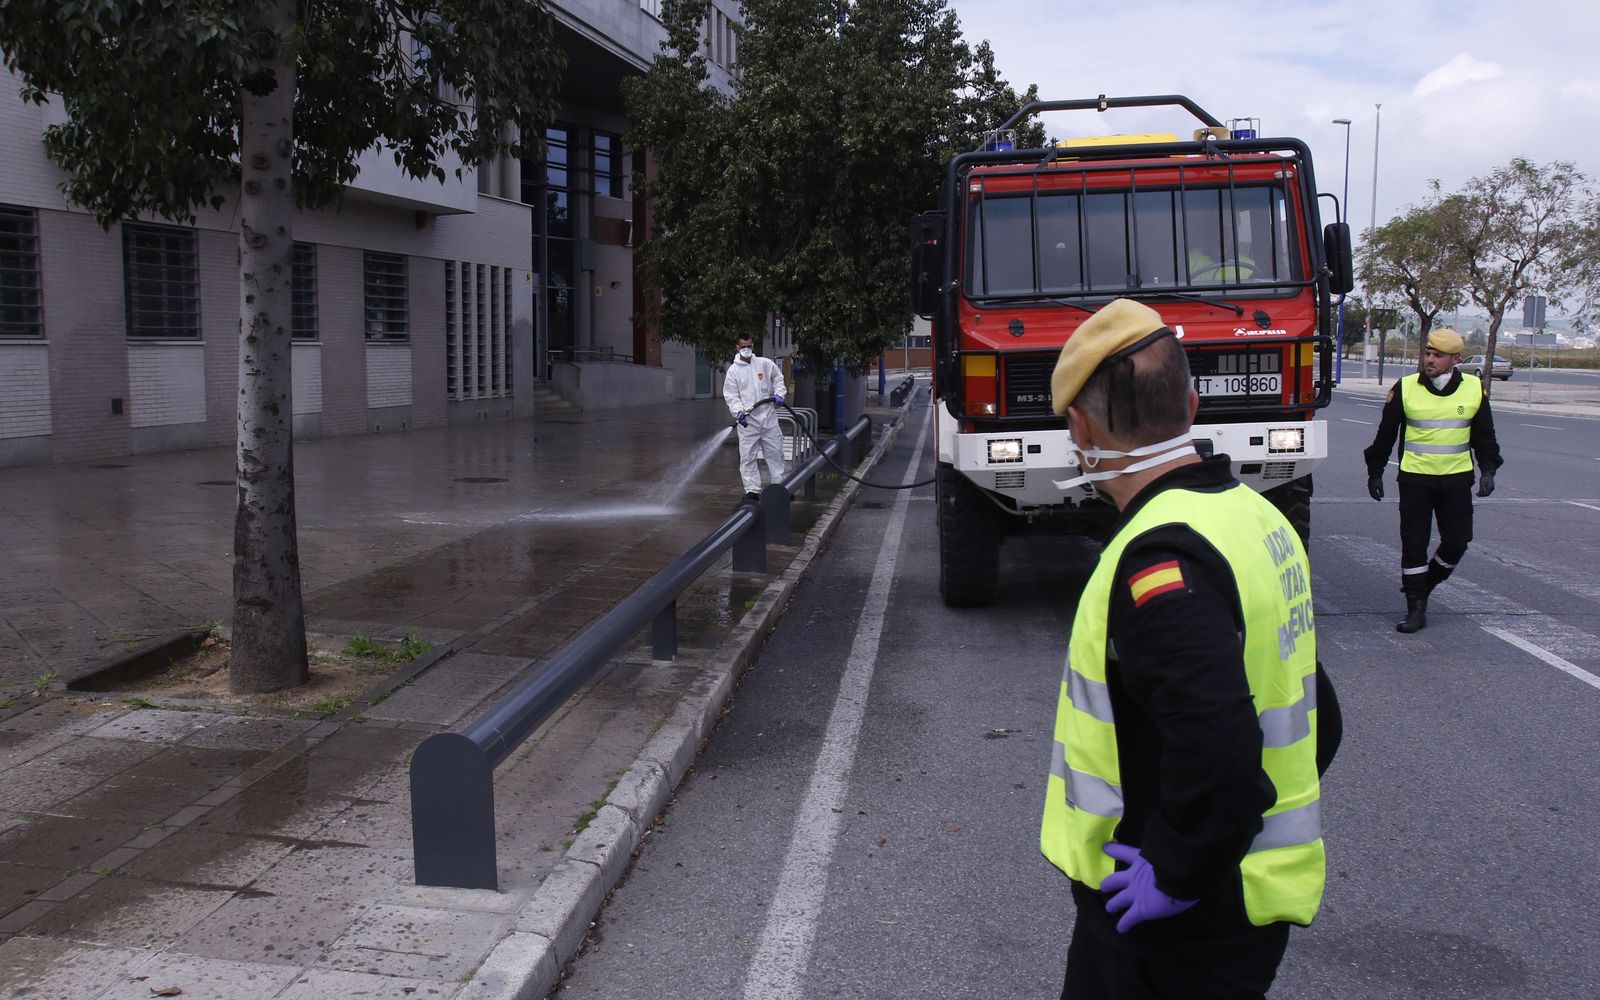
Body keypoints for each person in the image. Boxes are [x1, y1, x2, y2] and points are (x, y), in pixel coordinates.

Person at [1040, 298, 1339, 999]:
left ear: (1079, 427)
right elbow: (1316, 711)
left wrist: (1177, 869)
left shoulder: (1158, 560)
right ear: (1192, 403)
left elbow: (1222, 746)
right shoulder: (1253, 516)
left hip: (1173, 930)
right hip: (1237, 905)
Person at [1362, 327, 1503, 633]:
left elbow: (1484, 437)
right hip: (1416, 480)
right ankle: (1415, 607)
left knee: (1457, 541)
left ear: (1456, 359)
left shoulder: (1474, 389)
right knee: (1414, 543)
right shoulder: (1406, 388)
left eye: (1438, 355)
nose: (1429, 359)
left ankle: (1424, 585)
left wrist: (1488, 469)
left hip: (1456, 480)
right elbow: (1385, 436)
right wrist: (1375, 472)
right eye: (1427, 353)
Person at [723, 333, 788, 501]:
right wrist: (738, 411)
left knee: (775, 452)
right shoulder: (733, 371)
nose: (746, 350)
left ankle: (779, 486)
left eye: (749, 346)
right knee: (748, 457)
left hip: (768, 418)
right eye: (743, 347)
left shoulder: (764, 364)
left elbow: (778, 379)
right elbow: (731, 395)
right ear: (737, 348)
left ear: (753, 346)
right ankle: (752, 491)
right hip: (748, 422)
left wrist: (780, 394)